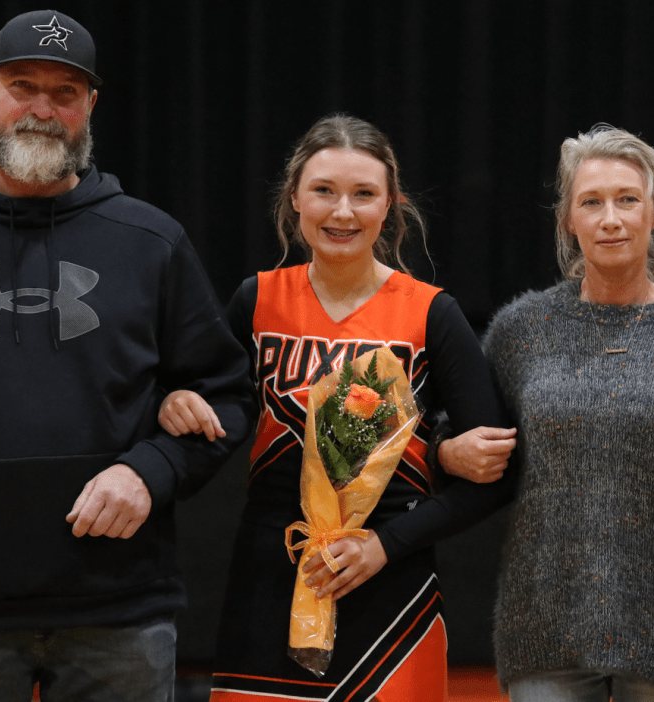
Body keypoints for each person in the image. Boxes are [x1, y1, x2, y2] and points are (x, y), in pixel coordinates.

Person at [0, 10, 253, 701]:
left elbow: (226, 396)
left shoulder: (150, 241)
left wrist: (151, 469)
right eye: (23, 86)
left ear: (90, 106)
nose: (42, 108)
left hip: (121, 615)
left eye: (65, 92)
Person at [158, 113, 517, 701]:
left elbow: (494, 476)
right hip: (269, 582)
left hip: (389, 585)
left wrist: (386, 544)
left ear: (390, 205)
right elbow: (213, 407)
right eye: (324, 191)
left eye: (363, 194)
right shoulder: (257, 300)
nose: (342, 212)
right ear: (295, 197)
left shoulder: (433, 314)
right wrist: (176, 398)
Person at [438, 124, 654, 702]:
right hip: (545, 636)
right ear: (568, 219)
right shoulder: (521, 331)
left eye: (627, 200)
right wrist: (446, 450)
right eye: (591, 202)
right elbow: (457, 428)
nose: (610, 219)